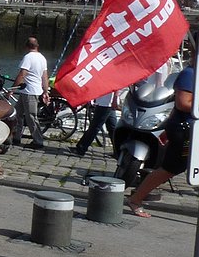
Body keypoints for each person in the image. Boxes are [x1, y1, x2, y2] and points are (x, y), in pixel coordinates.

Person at [127, 60, 195, 218]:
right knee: (171, 168)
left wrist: (166, 129)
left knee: (173, 168)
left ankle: (136, 198)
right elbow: (182, 103)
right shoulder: (189, 74)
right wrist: (169, 129)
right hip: (184, 130)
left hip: (187, 128)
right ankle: (135, 199)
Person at [11, 37, 49, 149]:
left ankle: (38, 141)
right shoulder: (42, 58)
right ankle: (17, 137)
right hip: (30, 91)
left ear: (27, 46)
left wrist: (13, 89)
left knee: (31, 116)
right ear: (37, 46)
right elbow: (45, 76)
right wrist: (46, 91)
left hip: (30, 91)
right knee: (17, 113)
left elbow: (22, 74)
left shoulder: (28, 57)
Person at [73, 89, 120, 157]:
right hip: (104, 101)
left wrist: (114, 99)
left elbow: (117, 87)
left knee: (95, 126)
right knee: (112, 128)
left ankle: (82, 148)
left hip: (106, 102)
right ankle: (118, 152)